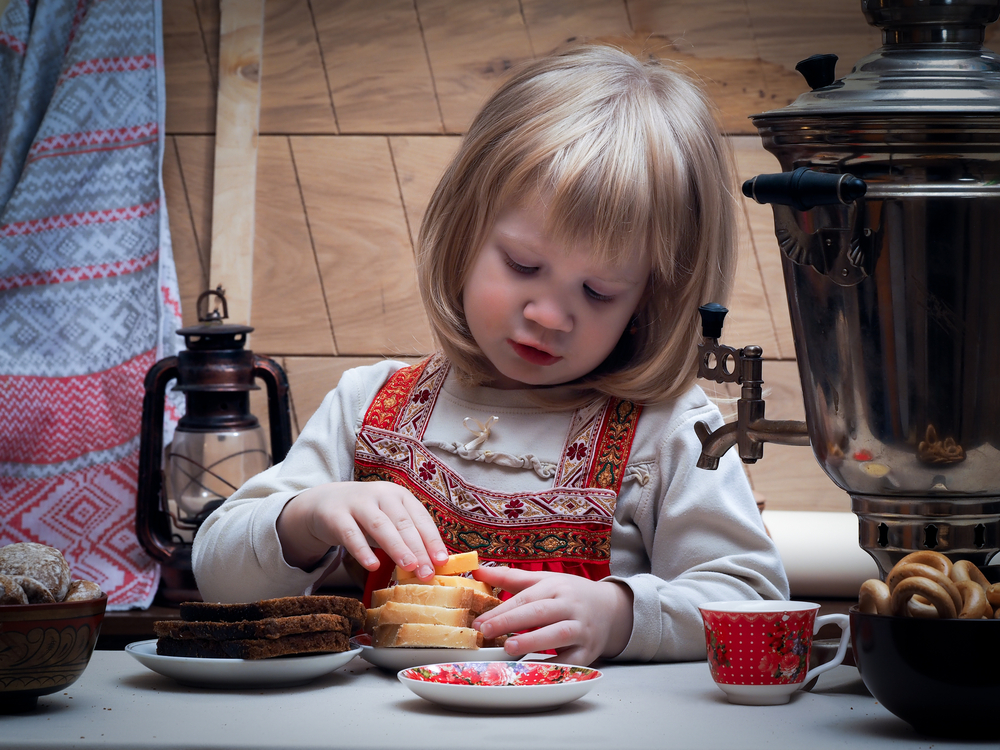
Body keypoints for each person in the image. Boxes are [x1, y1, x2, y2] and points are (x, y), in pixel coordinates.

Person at [192, 45, 789, 666]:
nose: (549, 315)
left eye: (599, 292)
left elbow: (754, 600)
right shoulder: (368, 408)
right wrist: (306, 515)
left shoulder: (672, 429)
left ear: (650, 300)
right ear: (465, 232)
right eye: (523, 265)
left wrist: (620, 615)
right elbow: (219, 575)